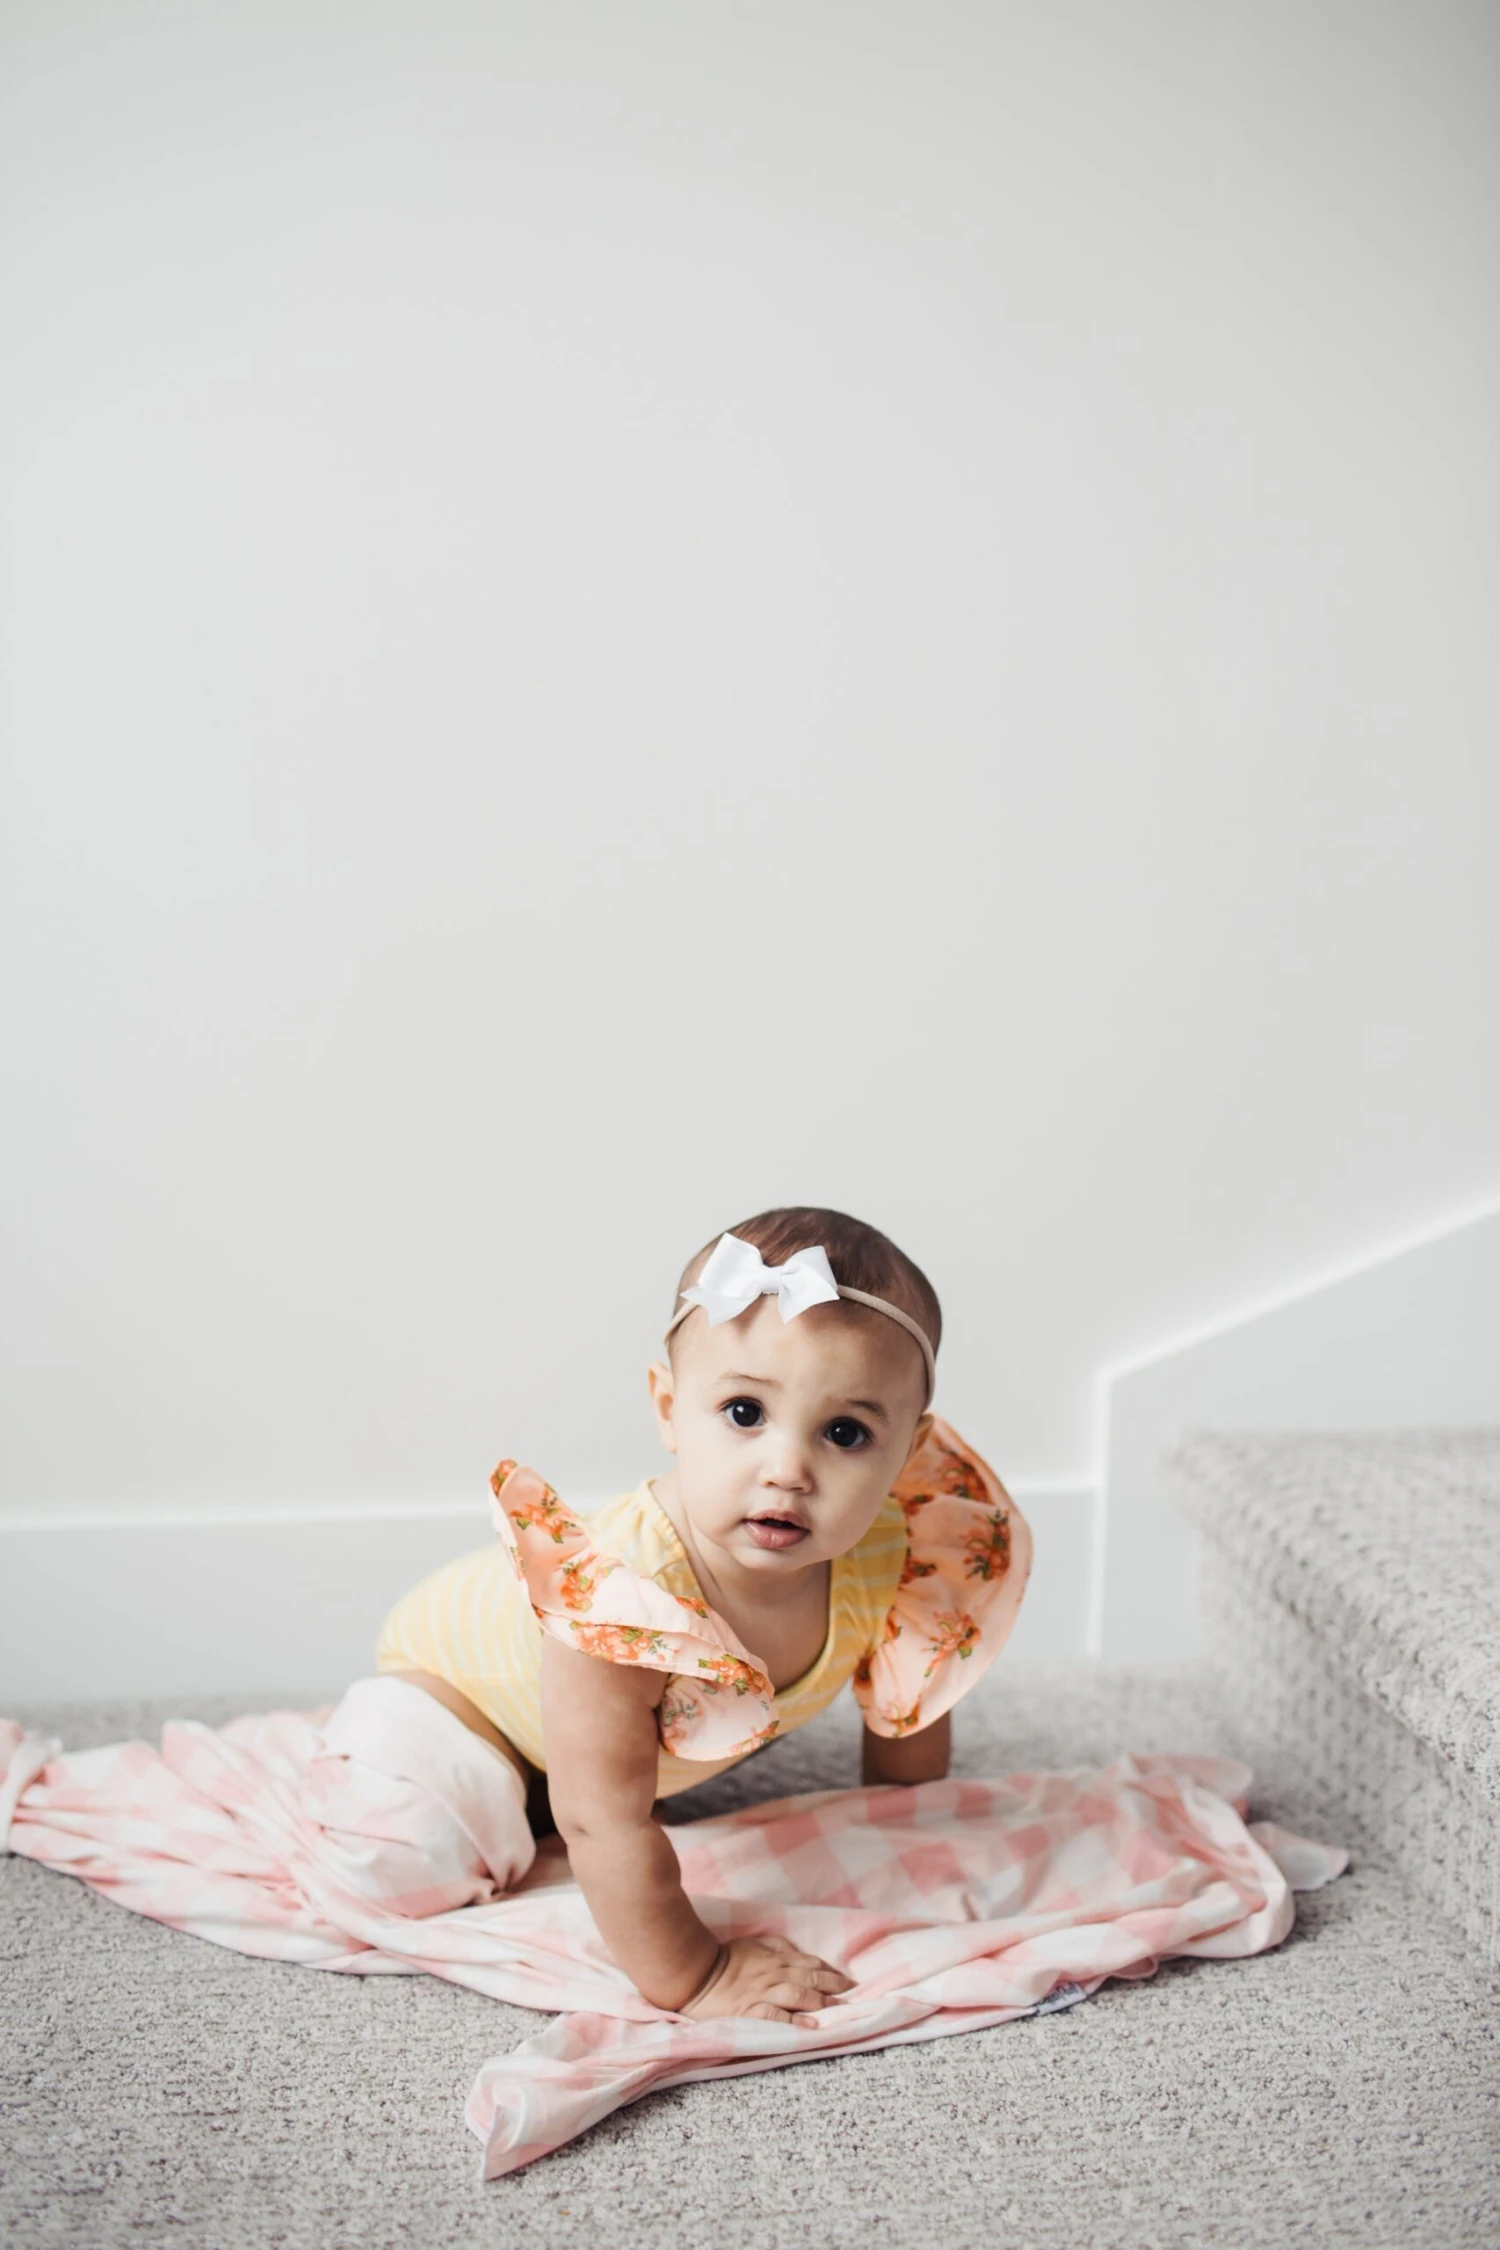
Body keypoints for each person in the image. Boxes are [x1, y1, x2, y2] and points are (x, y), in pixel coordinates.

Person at [313, 1206, 1032, 2027]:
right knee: (401, 1858)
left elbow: (910, 1707)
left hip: (574, 1745)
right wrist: (699, 1976)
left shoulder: (897, 1553)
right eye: (744, 1413)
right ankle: (503, 1805)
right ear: (668, 1407)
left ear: (907, 1450)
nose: (787, 1470)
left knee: (590, 1791)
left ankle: (537, 1814)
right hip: (457, 1703)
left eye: (844, 1432)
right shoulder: (626, 1599)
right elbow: (604, 1819)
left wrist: (911, 1835)